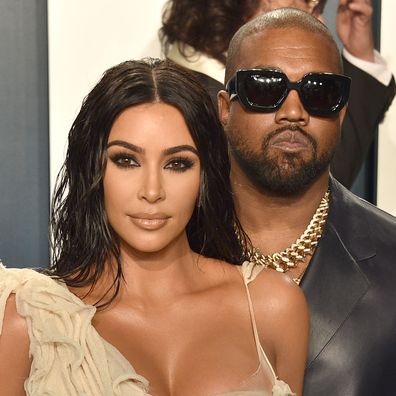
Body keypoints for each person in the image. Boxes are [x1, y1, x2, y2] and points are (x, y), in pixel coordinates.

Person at [0, 58, 308, 395]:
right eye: (126, 160)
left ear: (204, 175)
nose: (151, 191)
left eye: (177, 164)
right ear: (95, 169)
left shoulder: (272, 306)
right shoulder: (28, 318)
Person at [217, 8, 396, 396]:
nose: (294, 112)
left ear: (342, 110)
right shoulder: (168, 244)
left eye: (320, 93)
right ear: (225, 108)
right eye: (265, 87)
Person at [160, 0, 396, 189]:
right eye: (311, 5)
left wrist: (360, 56)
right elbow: (303, 183)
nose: (321, 22)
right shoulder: (184, 102)